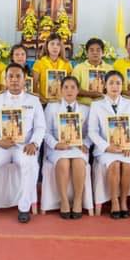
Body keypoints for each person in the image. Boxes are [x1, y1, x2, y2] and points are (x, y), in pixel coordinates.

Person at [0, 63, 45, 223]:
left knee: (31, 164)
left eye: (18, 77)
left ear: (24, 80)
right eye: (11, 77)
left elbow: (40, 126)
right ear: (5, 79)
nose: (14, 80)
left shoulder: (34, 100)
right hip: (0, 145)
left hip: (24, 145)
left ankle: (24, 208)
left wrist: (34, 143)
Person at [88, 71, 130, 219]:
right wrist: (106, 147)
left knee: (127, 166)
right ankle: (114, 202)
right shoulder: (96, 105)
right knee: (114, 165)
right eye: (111, 82)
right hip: (106, 148)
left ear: (122, 85)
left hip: (127, 146)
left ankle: (124, 201)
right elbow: (92, 131)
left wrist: (129, 144)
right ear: (105, 85)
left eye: (118, 83)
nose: (114, 86)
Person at [44, 76, 91, 219]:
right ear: (60, 90)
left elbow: (91, 132)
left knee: (78, 162)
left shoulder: (86, 109)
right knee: (63, 162)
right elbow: (45, 131)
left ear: (78, 91)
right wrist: (56, 144)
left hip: (78, 147)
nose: (69, 90)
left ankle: (77, 201)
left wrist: (86, 143)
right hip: (58, 147)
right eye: (66, 87)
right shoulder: (51, 107)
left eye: (73, 87)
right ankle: (64, 201)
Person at [72, 37, 111, 105]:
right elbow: (73, 88)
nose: (95, 52)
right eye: (91, 50)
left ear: (103, 52)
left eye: (98, 50)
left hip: (104, 105)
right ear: (87, 53)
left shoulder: (110, 69)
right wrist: (90, 94)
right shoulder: (78, 68)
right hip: (84, 105)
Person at [33, 33, 72, 102]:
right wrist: (42, 99)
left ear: (61, 47)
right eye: (52, 44)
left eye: (58, 44)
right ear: (47, 46)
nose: (55, 47)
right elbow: (34, 85)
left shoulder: (67, 64)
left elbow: (70, 84)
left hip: (62, 101)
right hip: (44, 101)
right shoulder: (39, 63)